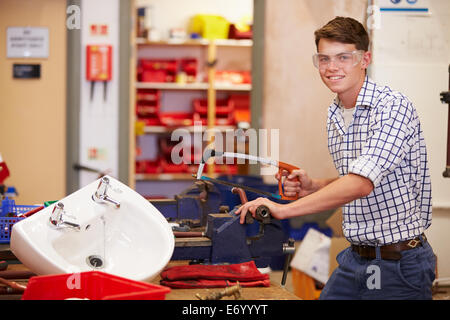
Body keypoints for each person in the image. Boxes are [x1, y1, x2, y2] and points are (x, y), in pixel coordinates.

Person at [235, 16, 436, 300]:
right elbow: (363, 176)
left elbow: (361, 184)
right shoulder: (335, 113)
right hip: (356, 258)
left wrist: (281, 209)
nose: (331, 68)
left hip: (396, 262)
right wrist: (314, 186)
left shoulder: (392, 107)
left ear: (364, 59)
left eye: (343, 57)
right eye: (324, 59)